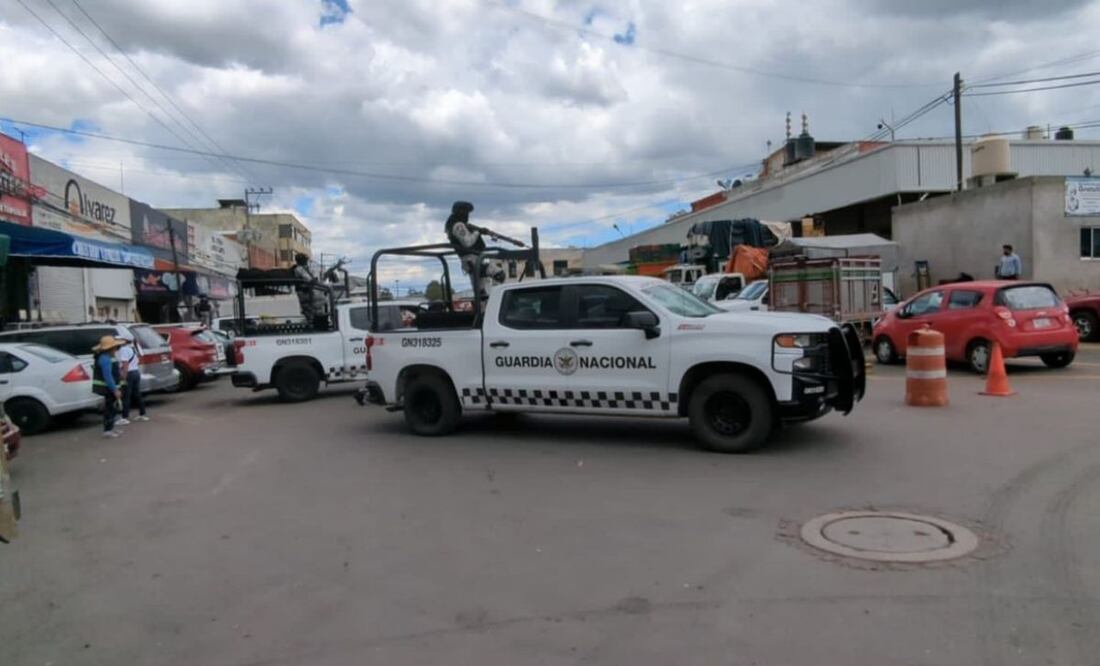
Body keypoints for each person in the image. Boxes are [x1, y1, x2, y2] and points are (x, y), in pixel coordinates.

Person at [444, 201, 504, 297]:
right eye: (465, 211)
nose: (467, 214)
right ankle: (499, 298)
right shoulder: (458, 225)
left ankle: (484, 306)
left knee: (481, 292)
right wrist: (477, 232)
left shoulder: (459, 224)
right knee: (499, 274)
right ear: (459, 212)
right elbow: (467, 242)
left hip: (474, 259)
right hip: (471, 259)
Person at [91, 336, 127, 439]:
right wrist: (115, 390)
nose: (117, 349)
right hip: (108, 388)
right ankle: (108, 430)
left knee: (113, 408)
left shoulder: (108, 357)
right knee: (110, 409)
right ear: (110, 348)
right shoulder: (104, 359)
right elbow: (108, 376)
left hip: (112, 387)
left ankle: (111, 428)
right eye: (115, 347)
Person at [115, 331, 148, 425]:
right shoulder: (131, 349)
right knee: (137, 394)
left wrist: (123, 376)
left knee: (126, 395)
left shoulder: (123, 350)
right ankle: (142, 413)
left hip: (129, 373)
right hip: (135, 372)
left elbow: (125, 364)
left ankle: (124, 417)